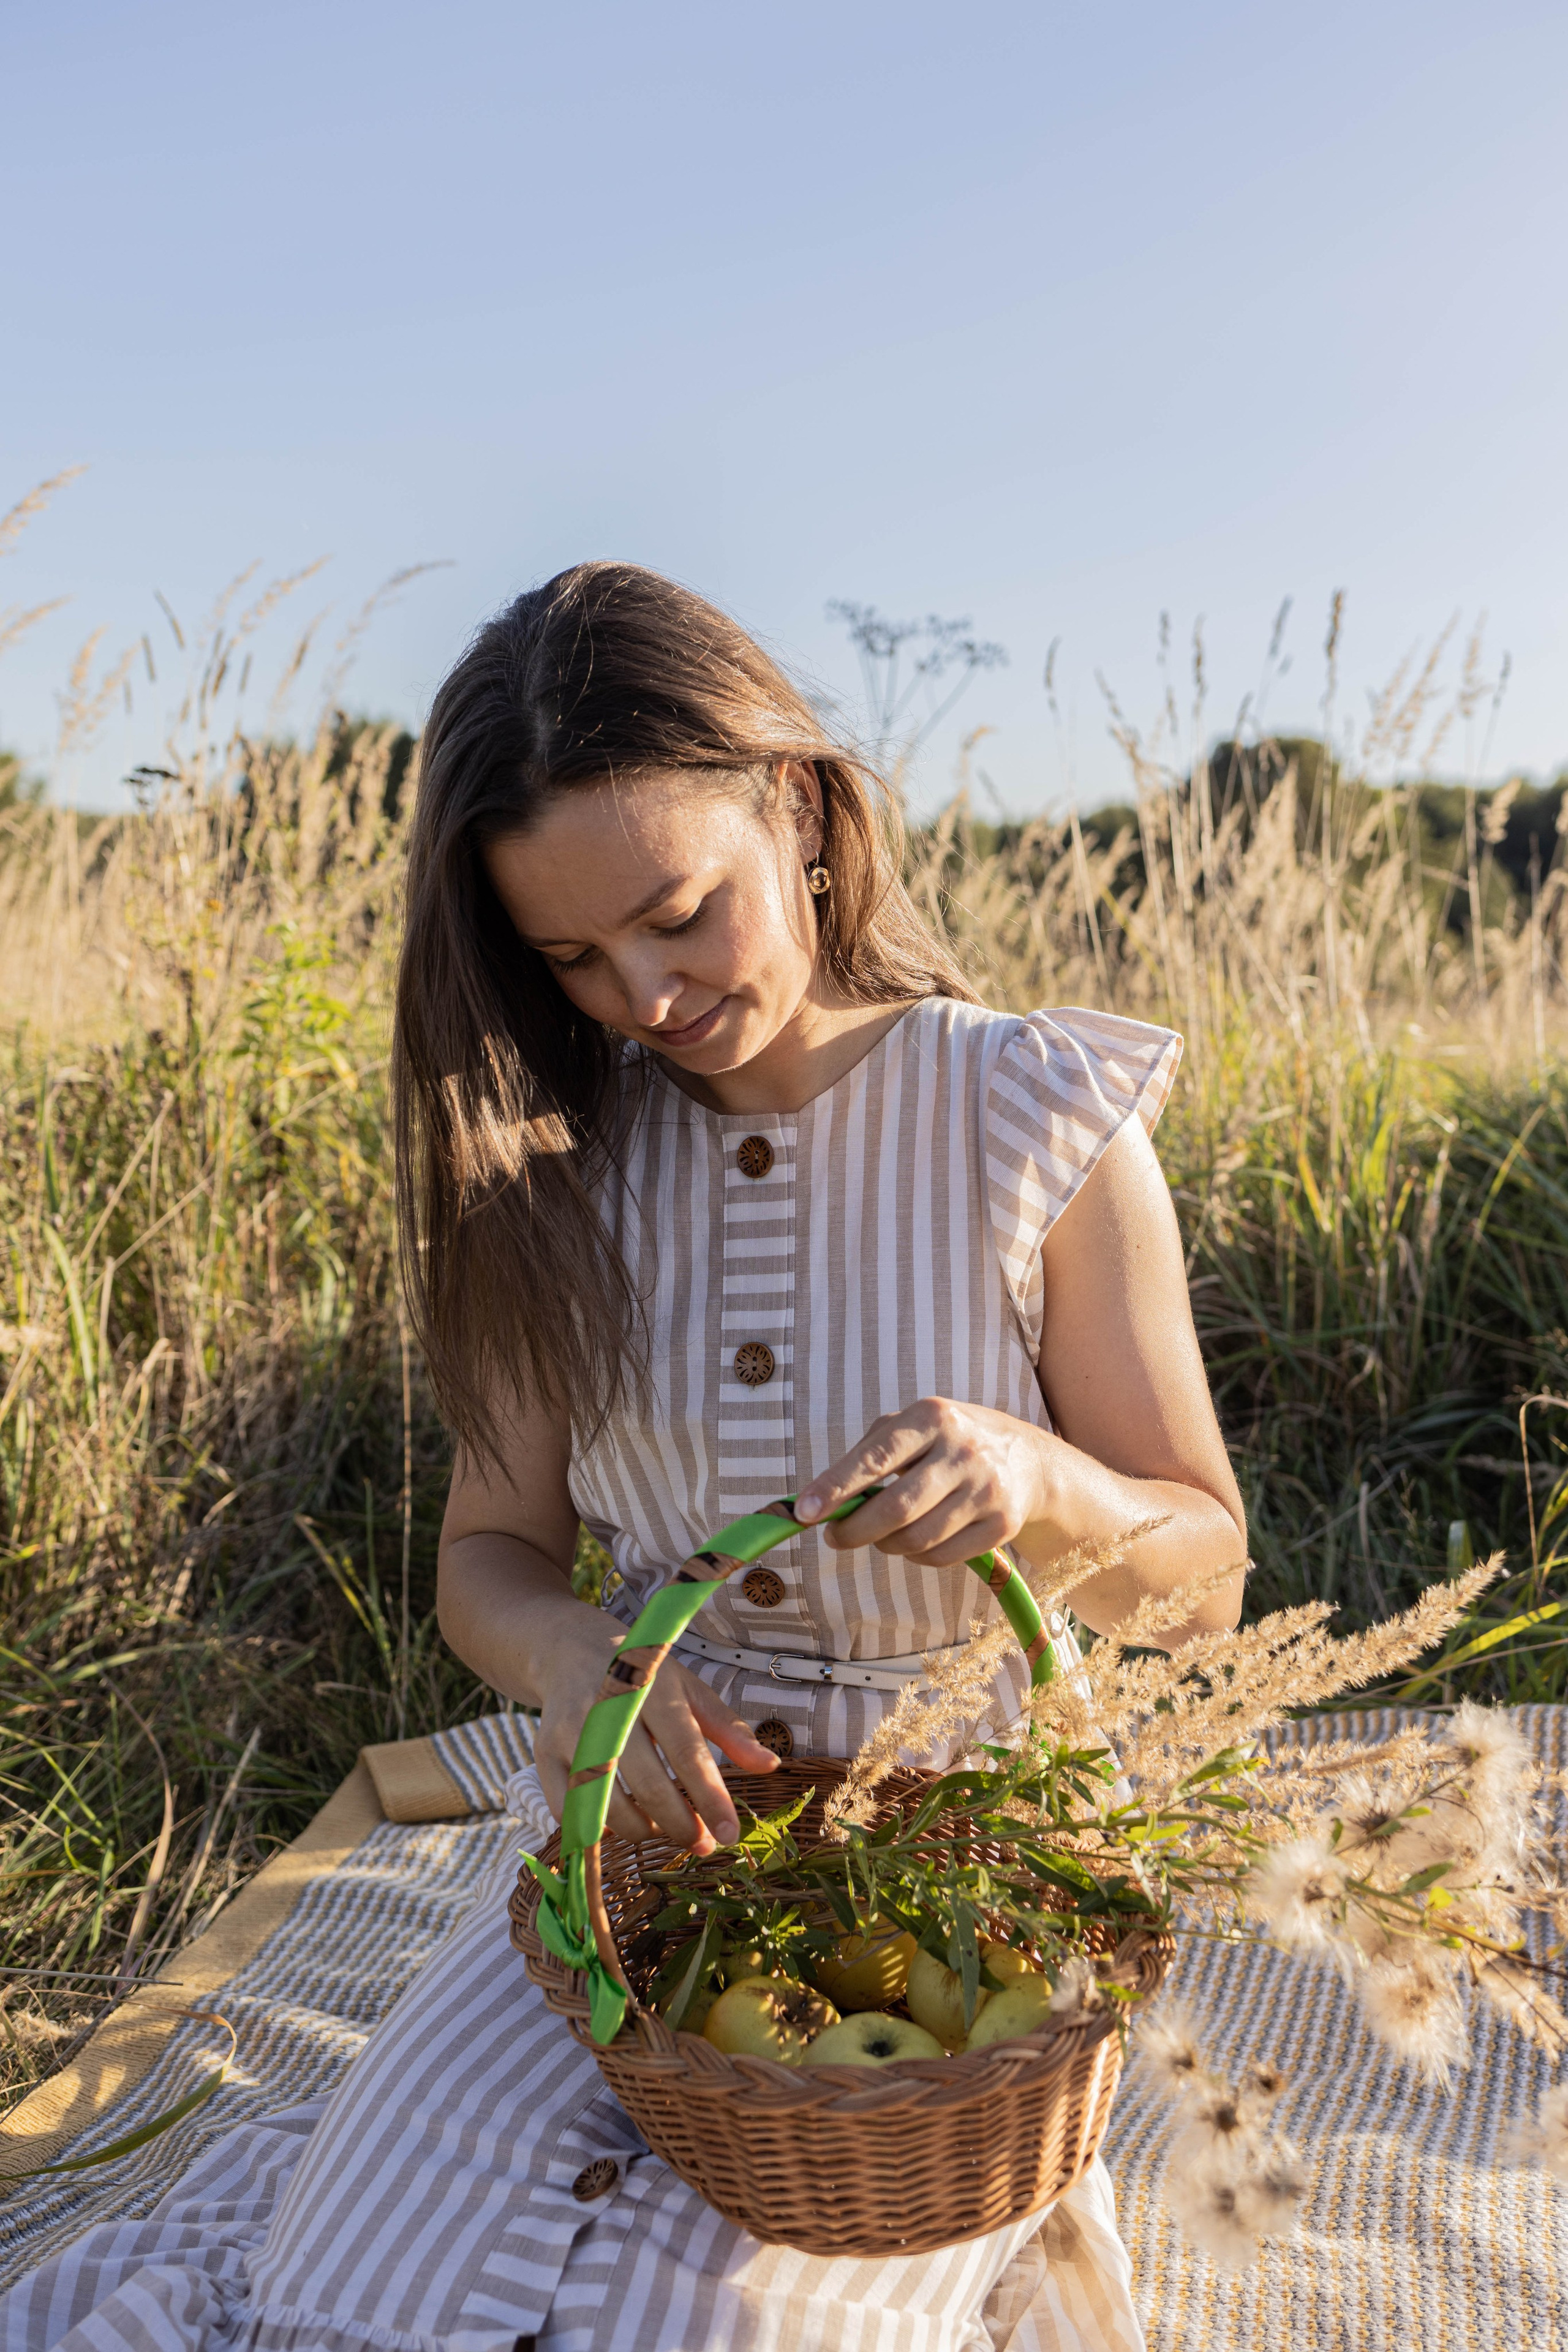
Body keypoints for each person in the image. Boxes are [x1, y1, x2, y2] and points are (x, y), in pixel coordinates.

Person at [3, 564, 1245, 2352]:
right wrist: (586, 1662)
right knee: (360, 2266)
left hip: (955, 1861)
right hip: (637, 1840)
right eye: (573, 959)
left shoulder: (1024, 1115)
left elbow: (1203, 1576)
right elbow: (487, 1561)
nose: (645, 995)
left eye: (681, 916)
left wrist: (1051, 1489)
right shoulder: (553, 1168)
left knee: (725, 2316)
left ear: (801, 814)